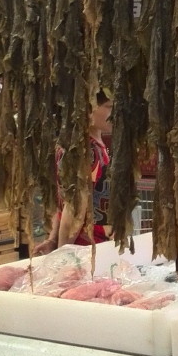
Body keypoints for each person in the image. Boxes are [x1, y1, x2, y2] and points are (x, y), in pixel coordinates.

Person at [40, 91, 112, 250]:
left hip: (87, 245)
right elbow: (74, 209)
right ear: (88, 109)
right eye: (109, 107)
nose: (114, 113)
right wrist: (63, 253)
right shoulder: (88, 152)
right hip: (86, 249)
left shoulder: (75, 146)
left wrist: (53, 239)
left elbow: (62, 200)